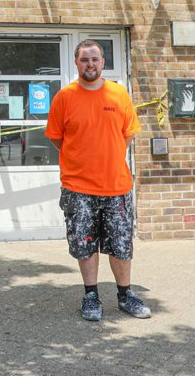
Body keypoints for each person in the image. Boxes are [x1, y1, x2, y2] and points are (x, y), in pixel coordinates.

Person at [46, 39, 151, 322]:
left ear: (103, 63)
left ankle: (125, 294)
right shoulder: (64, 98)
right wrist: (82, 157)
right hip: (78, 188)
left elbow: (127, 135)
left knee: (121, 244)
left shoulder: (119, 94)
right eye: (84, 59)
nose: (90, 64)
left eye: (95, 59)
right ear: (76, 63)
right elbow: (57, 138)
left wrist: (107, 154)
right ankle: (91, 295)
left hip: (116, 186)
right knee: (85, 244)